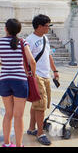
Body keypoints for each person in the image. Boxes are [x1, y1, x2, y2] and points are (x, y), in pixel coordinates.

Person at [0, 18, 37, 147]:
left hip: (5, 80)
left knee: (8, 113)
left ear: (6, 29)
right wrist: (32, 74)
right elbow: (32, 61)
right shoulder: (23, 42)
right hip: (20, 81)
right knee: (19, 116)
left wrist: (4, 63)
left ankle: (6, 143)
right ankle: (19, 144)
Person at [25, 14, 59, 146]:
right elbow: (26, 60)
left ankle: (31, 128)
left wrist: (55, 71)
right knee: (41, 105)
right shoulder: (29, 40)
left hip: (46, 75)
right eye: (47, 26)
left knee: (37, 104)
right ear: (39, 26)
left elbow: (48, 55)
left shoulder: (45, 38)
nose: (49, 28)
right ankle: (40, 133)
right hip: (36, 76)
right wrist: (31, 76)